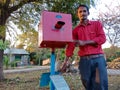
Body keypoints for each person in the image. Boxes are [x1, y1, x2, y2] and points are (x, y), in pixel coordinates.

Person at [60, 4, 108, 90]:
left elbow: (102, 38)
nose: (82, 13)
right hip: (84, 61)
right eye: (80, 12)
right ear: (77, 14)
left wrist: (85, 42)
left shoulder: (96, 24)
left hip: (98, 60)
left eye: (84, 11)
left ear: (88, 13)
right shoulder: (75, 30)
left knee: (100, 84)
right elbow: (71, 46)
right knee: (86, 82)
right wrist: (65, 62)